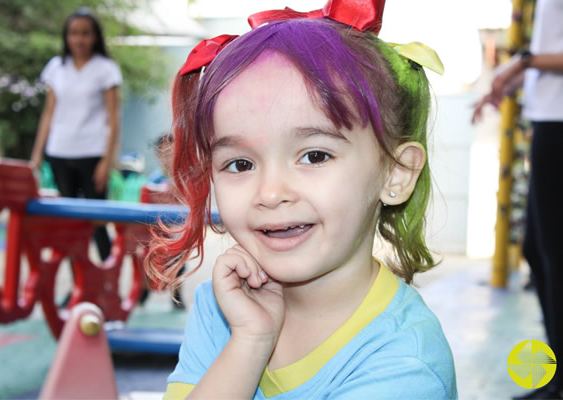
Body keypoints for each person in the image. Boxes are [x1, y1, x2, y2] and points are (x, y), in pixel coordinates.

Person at [147, 1, 457, 398]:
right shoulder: (223, 307)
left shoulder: (405, 364)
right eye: (240, 164)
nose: (271, 192)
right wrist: (249, 341)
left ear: (395, 174)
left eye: (314, 156)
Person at [472, 0, 563, 398]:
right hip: (550, 120)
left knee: (554, 255)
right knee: (539, 251)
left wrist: (523, 63)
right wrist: (510, 81)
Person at [30, 8, 122, 261]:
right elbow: (49, 112)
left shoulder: (106, 69)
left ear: (95, 37)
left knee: (97, 221)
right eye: (73, 33)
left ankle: (105, 282)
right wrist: (37, 155)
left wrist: (107, 160)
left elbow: (114, 116)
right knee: (69, 225)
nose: (79, 39)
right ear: (66, 36)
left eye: (85, 34)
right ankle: (78, 284)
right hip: (59, 153)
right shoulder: (56, 67)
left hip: (93, 153)